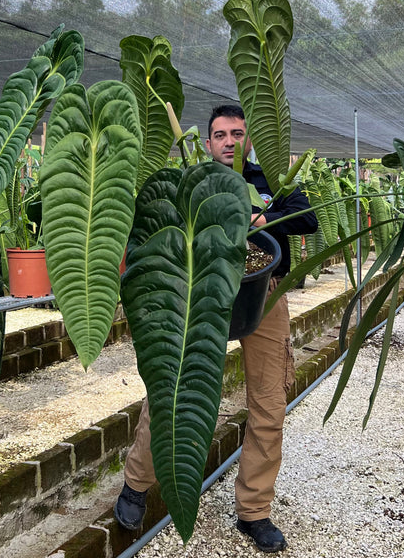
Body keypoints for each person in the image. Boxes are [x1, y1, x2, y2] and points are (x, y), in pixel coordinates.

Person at [114, 104, 318, 553]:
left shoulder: (271, 182)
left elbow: (309, 219)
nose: (229, 141)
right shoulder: (194, 183)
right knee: (172, 385)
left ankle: (254, 510)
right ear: (206, 144)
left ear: (249, 140)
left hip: (262, 295)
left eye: (238, 133)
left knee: (269, 401)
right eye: (220, 134)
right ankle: (137, 483)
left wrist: (258, 216)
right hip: (198, 296)